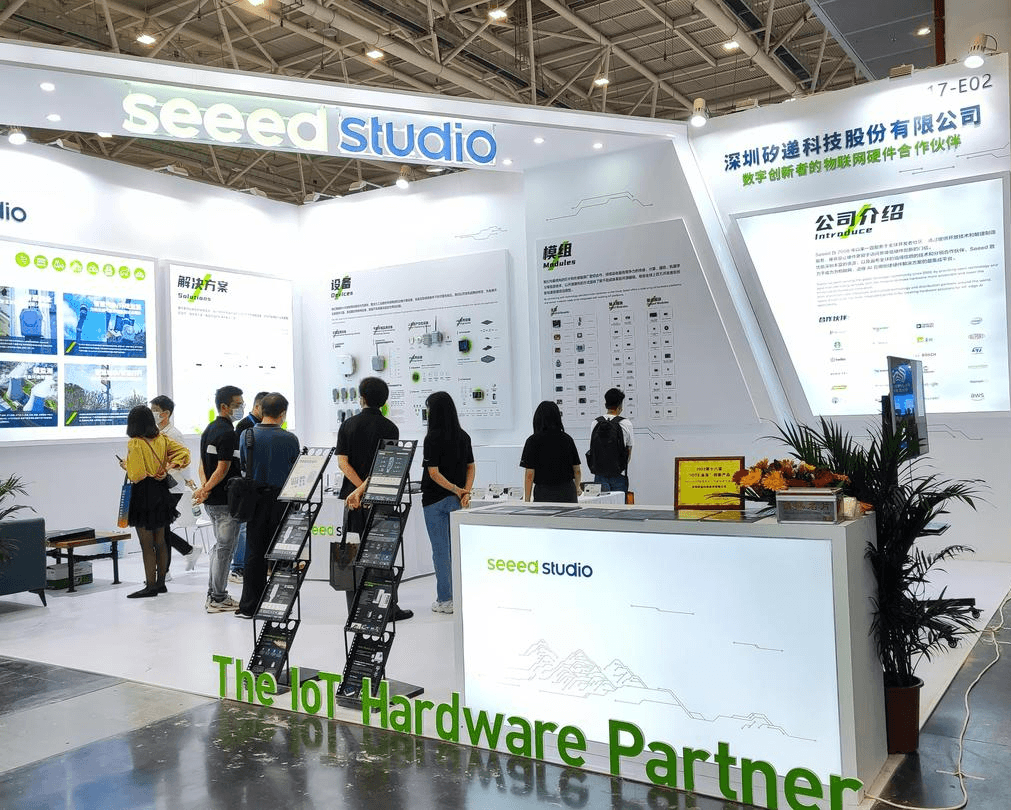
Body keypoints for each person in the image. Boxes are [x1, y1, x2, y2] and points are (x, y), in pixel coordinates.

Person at [337, 377, 413, 621]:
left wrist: (358, 489)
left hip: (352, 500)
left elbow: (342, 462)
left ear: (362, 398)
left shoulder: (348, 424)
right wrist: (367, 489)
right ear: (384, 400)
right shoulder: (390, 428)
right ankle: (387, 609)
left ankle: (354, 609)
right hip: (381, 497)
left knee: (352, 552)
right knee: (382, 553)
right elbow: (386, 465)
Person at [236, 392, 301, 619]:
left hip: (255, 499)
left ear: (261, 410)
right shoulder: (289, 439)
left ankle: (249, 606)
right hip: (282, 500)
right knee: (283, 551)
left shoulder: (246, 435)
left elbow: (244, 464)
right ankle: (279, 604)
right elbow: (295, 470)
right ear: (282, 413)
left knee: (254, 553)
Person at [121, 405, 191, 598]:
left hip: (143, 493)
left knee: (146, 544)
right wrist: (169, 467)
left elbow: (136, 475)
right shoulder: (162, 438)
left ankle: (150, 586)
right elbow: (184, 453)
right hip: (161, 491)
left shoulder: (135, 443)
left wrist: (125, 465)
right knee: (160, 541)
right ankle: (161, 584)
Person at [419, 392, 474, 614]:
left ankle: (445, 599)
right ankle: (461, 596)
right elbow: (471, 467)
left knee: (441, 552)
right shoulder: (464, 436)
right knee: (457, 551)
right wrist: (464, 492)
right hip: (456, 501)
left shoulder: (431, 438)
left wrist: (457, 490)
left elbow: (433, 473)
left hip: (434, 501)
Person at [193, 385, 244, 613]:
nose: (241, 408)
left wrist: (204, 489)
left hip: (213, 500)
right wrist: (207, 488)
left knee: (220, 548)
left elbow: (202, 465)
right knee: (225, 550)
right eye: (237, 404)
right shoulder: (228, 433)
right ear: (224, 406)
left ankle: (214, 593)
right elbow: (222, 468)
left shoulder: (210, 429)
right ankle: (218, 597)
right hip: (224, 500)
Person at [149, 395, 202, 573]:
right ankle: (188, 551)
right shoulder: (157, 433)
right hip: (162, 485)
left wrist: (186, 479)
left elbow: (183, 459)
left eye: (154, 410)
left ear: (165, 413)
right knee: (160, 527)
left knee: (160, 527)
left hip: (172, 487)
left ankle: (164, 571)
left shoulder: (174, 434)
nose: (151, 413)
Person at [230, 391, 268, 585]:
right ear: (257, 407)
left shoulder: (260, 425)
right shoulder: (245, 426)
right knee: (243, 527)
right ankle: (238, 567)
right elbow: (241, 457)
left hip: (256, 483)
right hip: (245, 483)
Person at [520, 401, 581, 503]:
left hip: (544, 493)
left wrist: (527, 499)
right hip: (567, 492)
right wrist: (577, 487)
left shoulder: (532, 441)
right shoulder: (567, 439)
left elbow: (529, 473)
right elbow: (577, 470)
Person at [587, 387, 634, 495]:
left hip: (599, 475)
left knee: (601, 504)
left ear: (605, 404)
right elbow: (628, 453)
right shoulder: (626, 423)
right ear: (620, 406)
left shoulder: (595, 422)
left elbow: (592, 449)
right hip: (617, 475)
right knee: (619, 505)